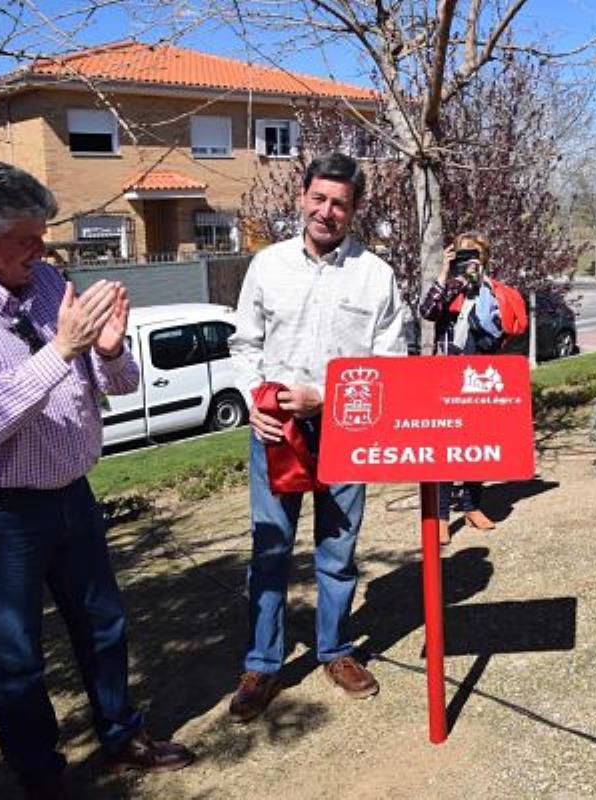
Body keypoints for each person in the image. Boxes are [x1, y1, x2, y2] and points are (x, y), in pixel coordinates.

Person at [0, 161, 195, 799]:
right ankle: (41, 774)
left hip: (70, 491)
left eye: (43, 236)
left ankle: (121, 735)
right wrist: (62, 349)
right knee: (16, 655)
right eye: (27, 239)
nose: (42, 251)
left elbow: (116, 383)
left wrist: (108, 349)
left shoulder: (46, 281)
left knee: (103, 623)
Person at [227, 153, 407, 720]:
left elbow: (390, 364)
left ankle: (335, 650)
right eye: (319, 199)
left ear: (355, 209)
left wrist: (327, 399)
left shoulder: (375, 275)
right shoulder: (267, 265)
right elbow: (244, 344)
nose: (327, 212)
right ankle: (262, 663)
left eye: (340, 204)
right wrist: (254, 401)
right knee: (270, 551)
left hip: (346, 428)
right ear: (302, 197)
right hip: (275, 428)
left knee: (338, 550)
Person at [419, 231, 528, 544]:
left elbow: (505, 330)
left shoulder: (493, 292)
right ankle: (441, 516)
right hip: (447, 375)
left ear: (485, 259)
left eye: (475, 254)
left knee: (477, 444)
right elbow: (428, 311)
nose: (469, 260)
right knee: (445, 448)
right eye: (463, 254)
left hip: (481, 375)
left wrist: (480, 288)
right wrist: (445, 272)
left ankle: (471, 506)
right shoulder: (450, 288)